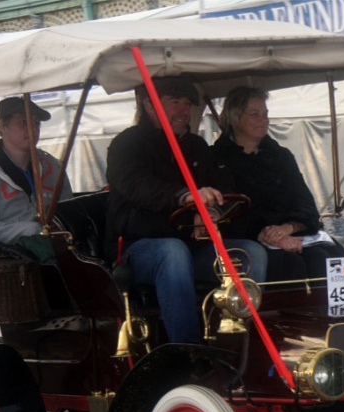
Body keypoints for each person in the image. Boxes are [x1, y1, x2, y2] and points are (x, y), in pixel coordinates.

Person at [104, 76, 267, 344]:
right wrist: (186, 198)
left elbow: (224, 187)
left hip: (192, 246)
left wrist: (213, 213)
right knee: (172, 252)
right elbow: (139, 186)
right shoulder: (127, 144)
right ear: (149, 105)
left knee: (251, 253)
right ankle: (188, 350)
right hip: (137, 248)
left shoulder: (196, 147)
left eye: (188, 104)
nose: (184, 110)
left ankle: (238, 346)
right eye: (175, 102)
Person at [213, 86, 344, 282]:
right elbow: (225, 212)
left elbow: (305, 203)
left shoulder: (282, 157)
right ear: (234, 117)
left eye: (265, 114)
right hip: (249, 236)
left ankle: (340, 302)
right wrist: (265, 234)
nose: (263, 120)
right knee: (290, 264)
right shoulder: (216, 160)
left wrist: (288, 228)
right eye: (255, 114)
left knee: (331, 256)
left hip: (289, 233)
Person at [0, 96, 73, 262]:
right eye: (23, 123)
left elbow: (68, 210)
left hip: (60, 246)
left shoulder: (52, 166)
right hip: (8, 260)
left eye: (36, 123)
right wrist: (33, 230)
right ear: (2, 126)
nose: (32, 129)